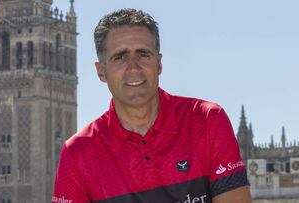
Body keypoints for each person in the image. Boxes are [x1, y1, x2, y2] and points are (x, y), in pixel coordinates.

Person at [52, 8, 252, 203]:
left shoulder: (206, 121)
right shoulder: (78, 152)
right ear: (101, 71)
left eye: (143, 54)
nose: (133, 67)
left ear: (159, 63)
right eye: (120, 57)